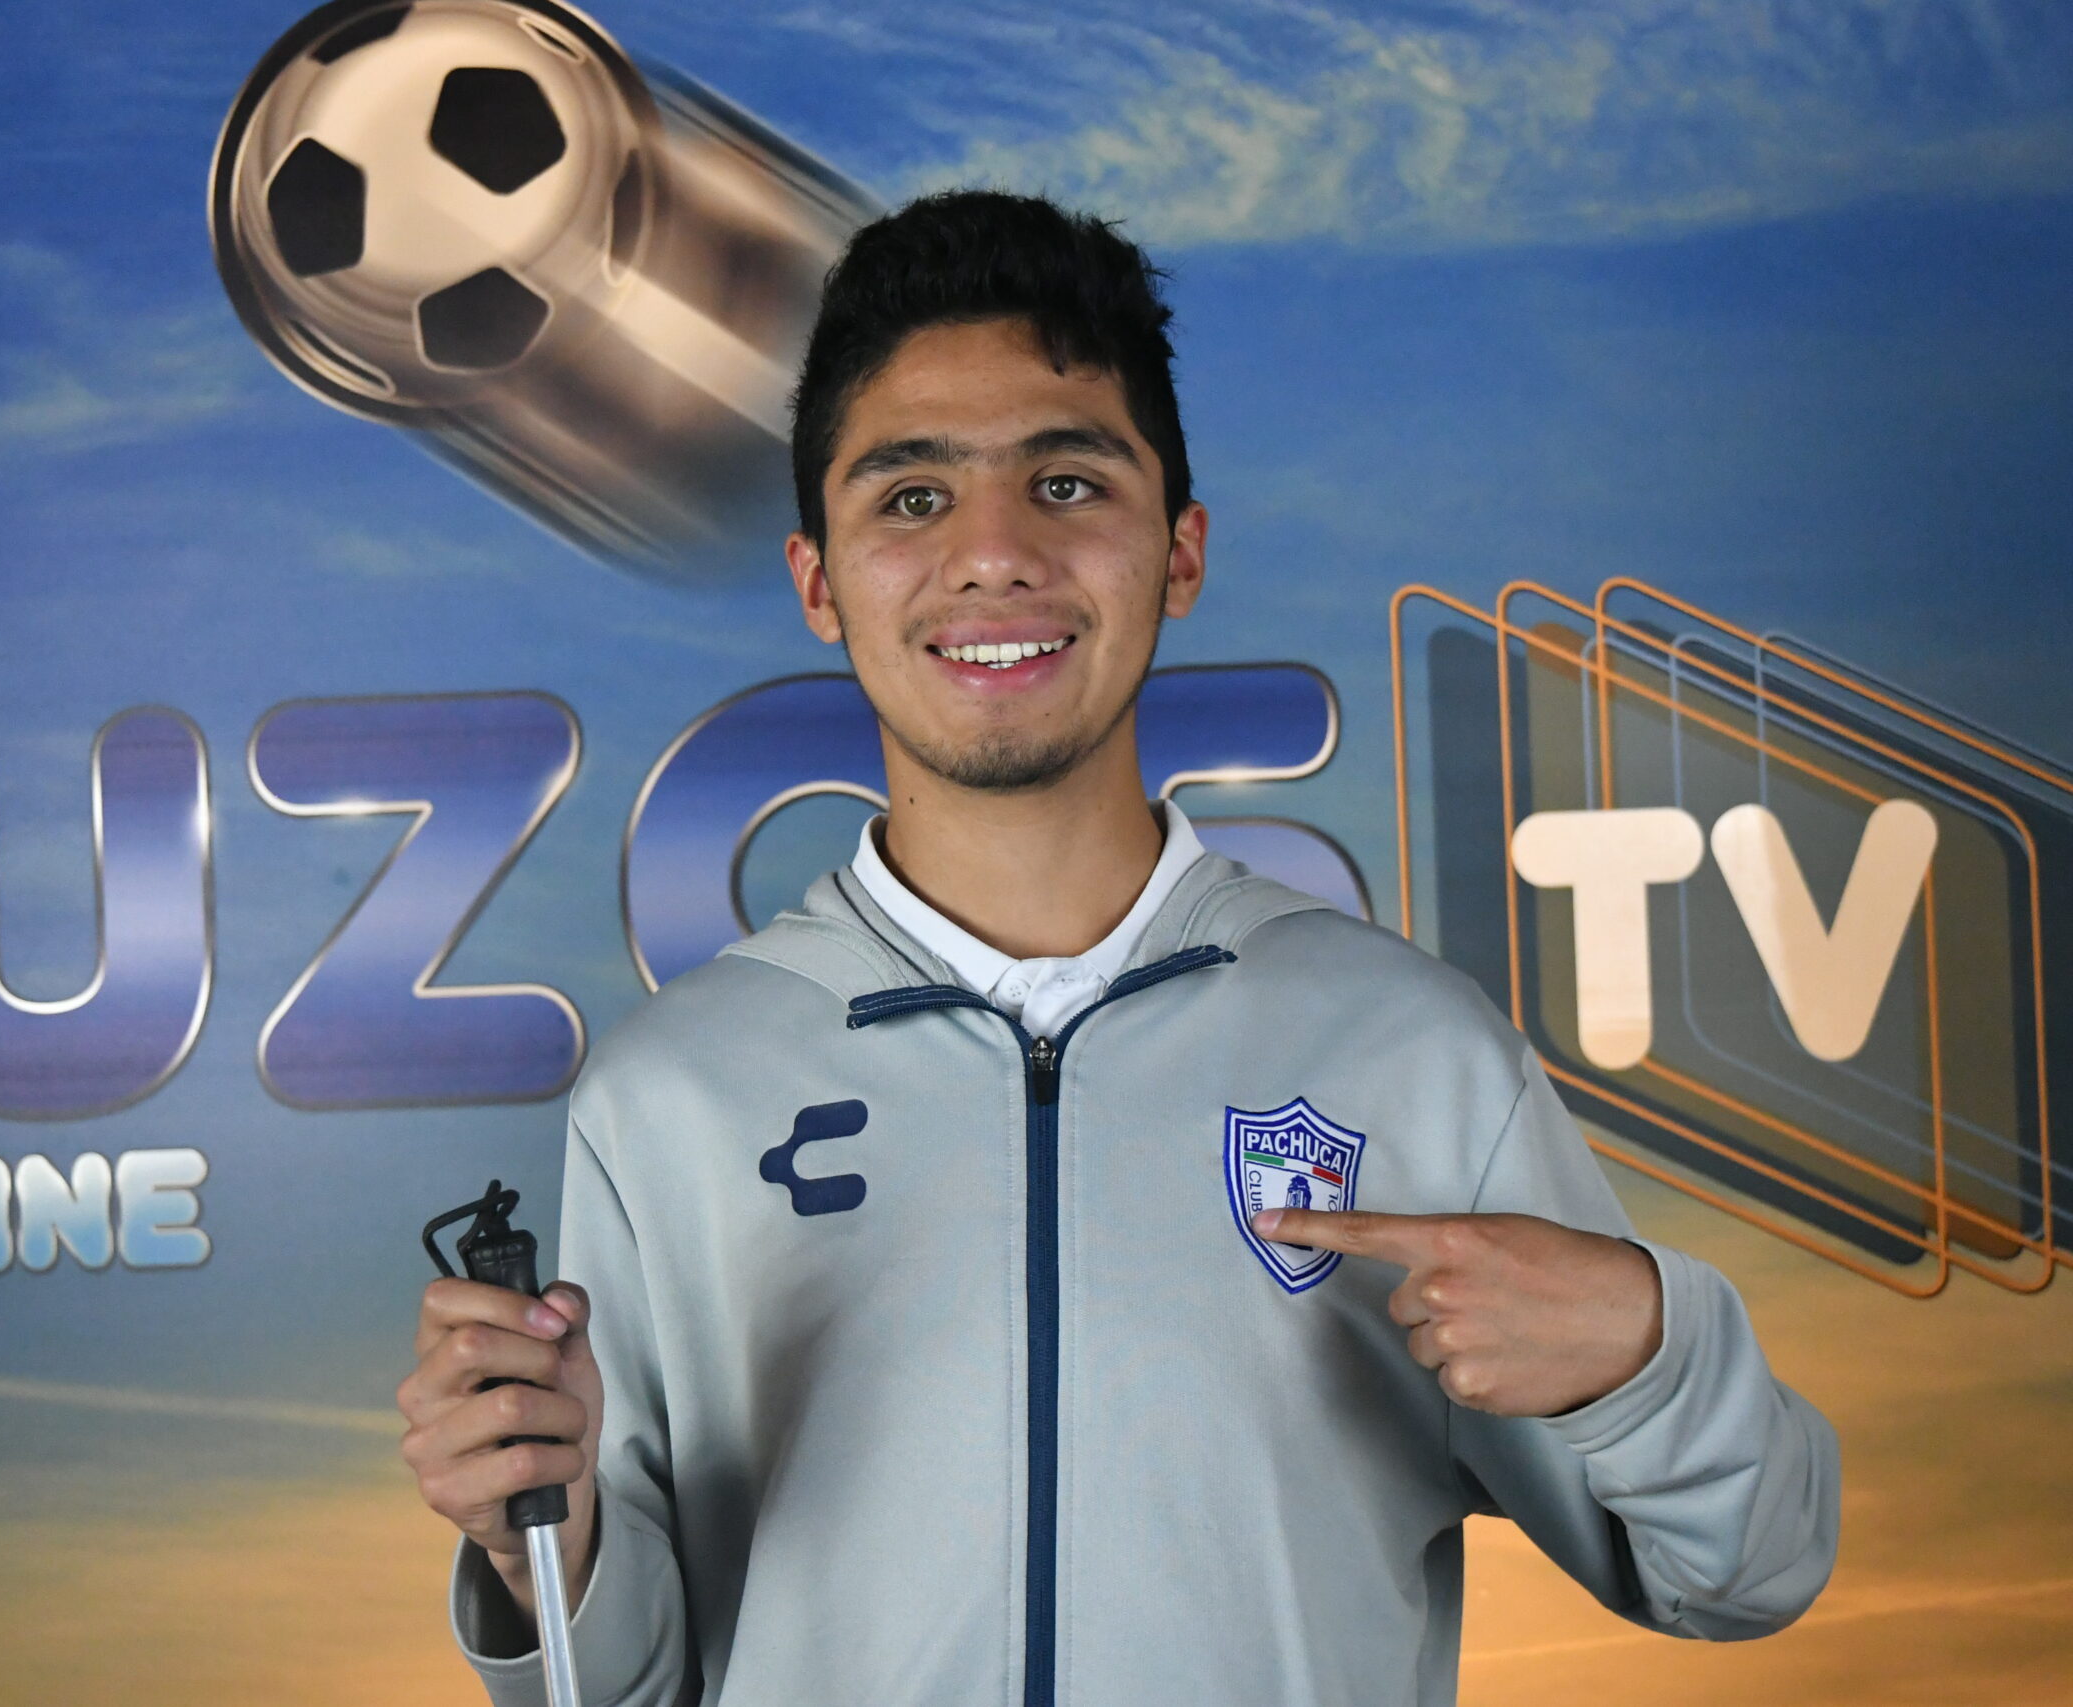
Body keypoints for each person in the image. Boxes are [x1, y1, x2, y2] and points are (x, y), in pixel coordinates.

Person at [397, 190, 1839, 1707]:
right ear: (819, 580)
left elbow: (1743, 1573)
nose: (994, 554)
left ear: (1180, 552)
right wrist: (537, 1544)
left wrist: (1651, 1352)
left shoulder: (1411, 1056)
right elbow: (616, 1693)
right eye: (912, 498)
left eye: (1068, 482)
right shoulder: (670, 1102)